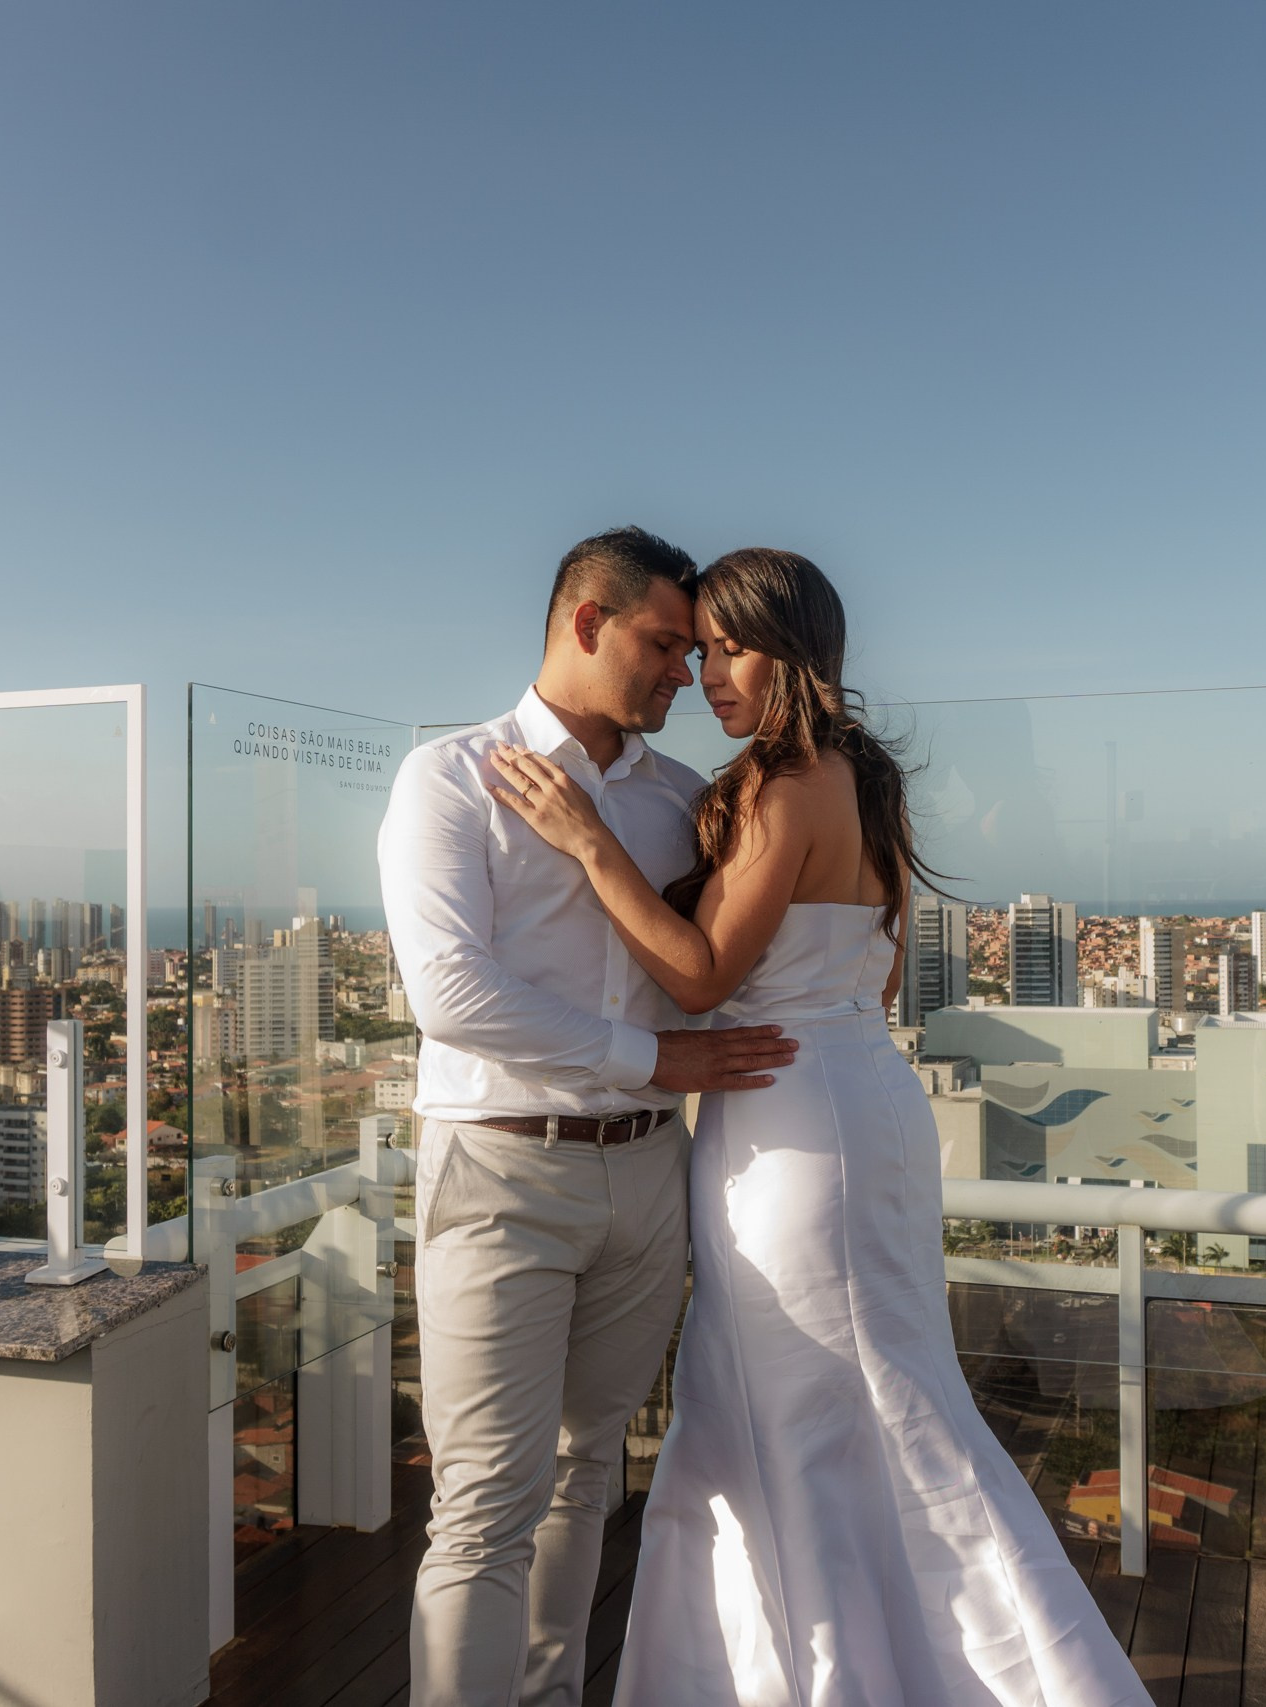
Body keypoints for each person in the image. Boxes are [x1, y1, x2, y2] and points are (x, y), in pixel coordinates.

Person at [488, 547, 1151, 1706]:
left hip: (785, 1120)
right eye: (695, 651)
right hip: (860, 1102)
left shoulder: (783, 785)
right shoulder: (865, 782)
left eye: (730, 650)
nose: (707, 676)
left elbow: (697, 977)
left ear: (793, 654)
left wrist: (588, 839)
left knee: (806, 1408)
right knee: (862, 1397)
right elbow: (875, 984)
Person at [379, 526, 806, 1707]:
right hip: (501, 1171)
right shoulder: (448, 777)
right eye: (666, 644)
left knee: (586, 1478)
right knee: (481, 1506)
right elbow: (450, 998)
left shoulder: (684, 801)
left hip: (647, 1180)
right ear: (585, 622)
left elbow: (733, 962)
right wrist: (657, 1060)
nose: (687, 673)